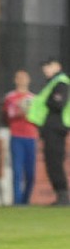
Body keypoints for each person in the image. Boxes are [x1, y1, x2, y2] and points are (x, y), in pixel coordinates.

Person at [26, 58, 70, 206]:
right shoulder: (54, 83)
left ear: (57, 66)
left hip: (56, 127)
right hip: (52, 127)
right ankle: (60, 195)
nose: (45, 70)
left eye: (48, 67)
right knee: (52, 162)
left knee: (55, 162)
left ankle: (63, 195)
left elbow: (58, 103)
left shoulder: (61, 83)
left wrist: (47, 101)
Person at [2, 69, 38, 205]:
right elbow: (8, 115)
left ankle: (25, 200)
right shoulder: (10, 97)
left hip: (31, 137)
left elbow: (38, 117)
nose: (22, 80)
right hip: (17, 136)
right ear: (15, 80)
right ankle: (17, 202)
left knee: (30, 174)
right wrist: (19, 109)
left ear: (28, 80)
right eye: (19, 77)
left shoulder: (34, 98)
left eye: (24, 77)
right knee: (17, 171)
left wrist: (30, 111)